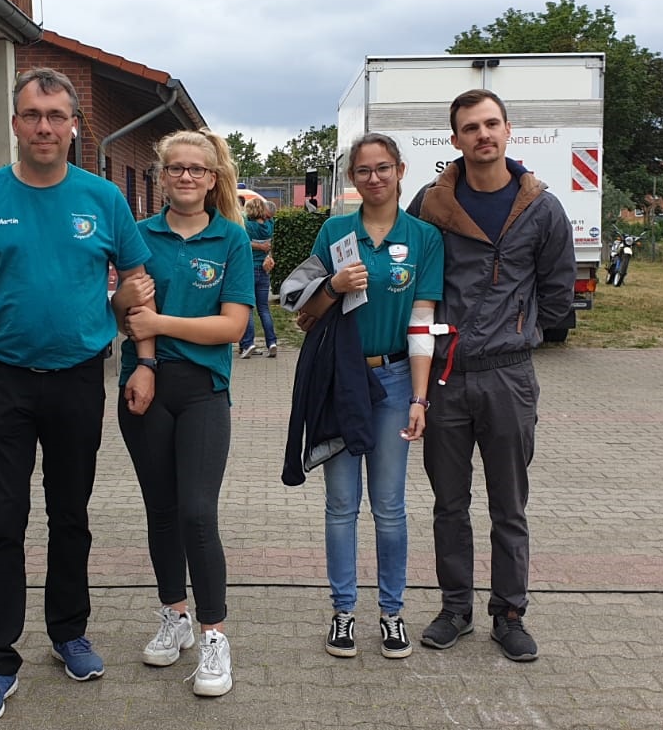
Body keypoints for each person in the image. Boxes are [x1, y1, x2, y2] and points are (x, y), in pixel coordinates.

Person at [0, 67, 152, 724]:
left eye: (56, 116)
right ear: (16, 123)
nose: (44, 127)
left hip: (79, 379)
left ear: (75, 125)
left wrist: (145, 360)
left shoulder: (103, 199)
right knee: (0, 520)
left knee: (70, 514)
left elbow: (136, 289)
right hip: (2, 382)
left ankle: (68, 630)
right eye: (32, 115)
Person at [405, 89, 575, 662]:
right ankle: (455, 608)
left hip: (509, 375)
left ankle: (510, 613)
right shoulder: (431, 204)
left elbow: (558, 295)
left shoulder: (542, 209)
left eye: (491, 124)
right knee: (448, 503)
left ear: (508, 130)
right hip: (447, 375)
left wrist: (519, 328)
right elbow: (413, 279)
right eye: (471, 127)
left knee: (509, 504)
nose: (483, 135)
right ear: (455, 139)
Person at [110, 129, 253, 697]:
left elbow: (233, 326)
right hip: (144, 386)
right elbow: (126, 308)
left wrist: (159, 323)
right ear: (161, 176)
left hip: (203, 391)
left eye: (198, 169)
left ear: (213, 178)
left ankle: (215, 635)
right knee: (162, 511)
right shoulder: (139, 234)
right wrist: (130, 315)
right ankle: (175, 615)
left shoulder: (231, 238)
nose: (187, 177)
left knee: (197, 511)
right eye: (176, 168)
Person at [294, 133, 444, 660]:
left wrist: (420, 399)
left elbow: (422, 322)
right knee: (340, 504)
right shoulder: (334, 232)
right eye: (363, 170)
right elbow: (303, 313)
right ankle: (343, 611)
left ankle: (392, 612)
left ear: (400, 170)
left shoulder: (423, 237)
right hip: (341, 380)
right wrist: (333, 286)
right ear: (352, 178)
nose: (374, 178)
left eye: (383, 168)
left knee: (389, 505)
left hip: (396, 380)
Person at [237, 196, 278, 359]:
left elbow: (243, 242)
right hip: (264, 269)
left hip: (248, 269)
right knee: (264, 308)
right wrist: (264, 248)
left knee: (247, 308)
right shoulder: (270, 225)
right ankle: (272, 342)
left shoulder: (247, 225)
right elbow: (268, 244)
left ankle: (248, 344)